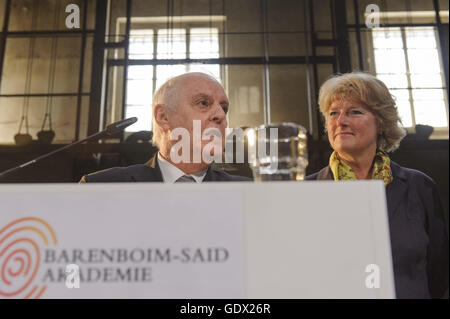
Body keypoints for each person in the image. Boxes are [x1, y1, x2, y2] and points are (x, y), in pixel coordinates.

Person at [306, 72, 449, 299]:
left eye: (354, 112)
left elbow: (438, 273)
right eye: (333, 113)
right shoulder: (304, 193)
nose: (340, 121)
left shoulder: (420, 187)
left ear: (380, 122)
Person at [80, 72, 250, 183]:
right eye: (203, 103)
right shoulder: (101, 187)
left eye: (224, 108)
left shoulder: (249, 192)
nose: (221, 115)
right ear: (163, 117)